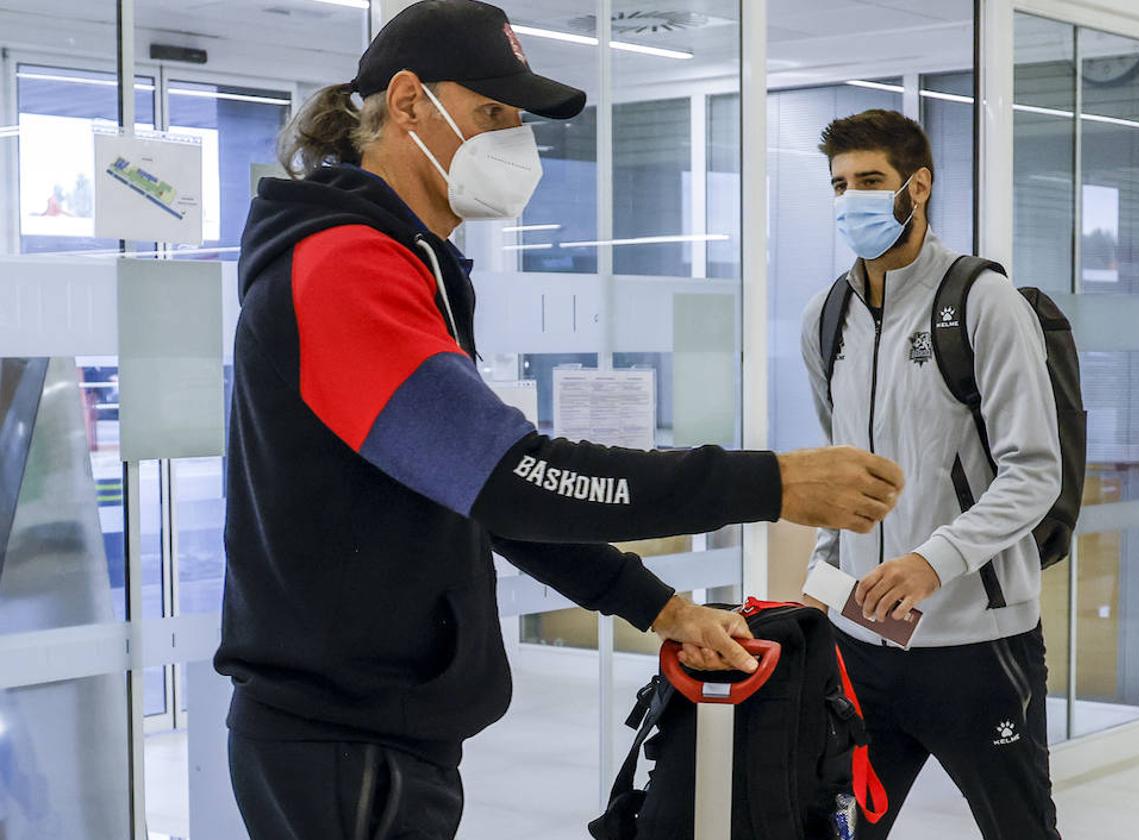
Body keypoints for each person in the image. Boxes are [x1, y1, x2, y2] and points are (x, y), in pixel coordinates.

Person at [216, 3, 904, 838]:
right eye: (491, 114)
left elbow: (472, 492)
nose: (513, 141)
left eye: (517, 120)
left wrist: (662, 608)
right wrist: (773, 481)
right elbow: (511, 477)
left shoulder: (404, 261)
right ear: (406, 103)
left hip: (379, 733)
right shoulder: (345, 267)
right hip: (344, 744)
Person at [799, 109, 1062, 839]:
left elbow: (1033, 472)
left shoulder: (983, 303)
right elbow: (841, 471)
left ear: (917, 187)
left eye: (870, 180)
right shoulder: (825, 317)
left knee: (1019, 828)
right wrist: (824, 572)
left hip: (976, 645)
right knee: (835, 830)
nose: (851, 197)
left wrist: (929, 562)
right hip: (860, 643)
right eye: (839, 183)